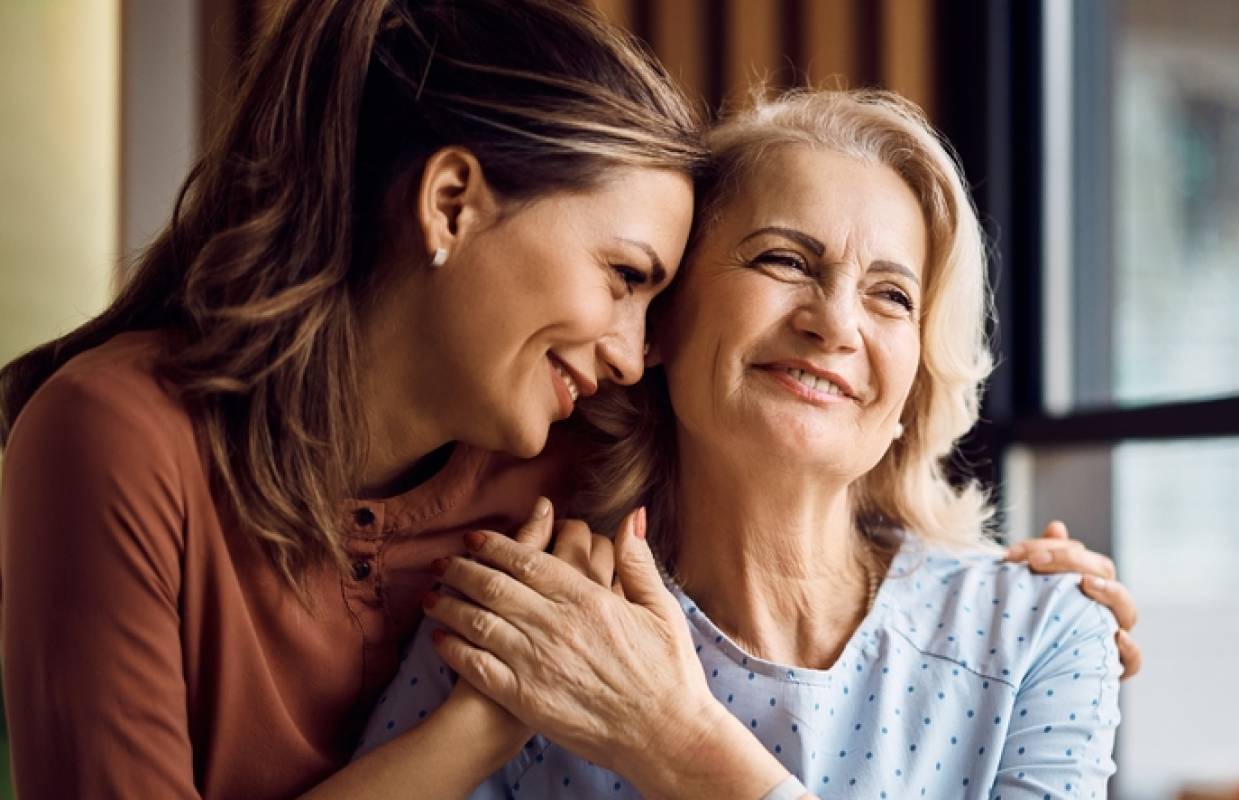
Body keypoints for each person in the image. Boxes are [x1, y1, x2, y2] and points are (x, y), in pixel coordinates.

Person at [0, 3, 1136, 798]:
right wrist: (491, 718)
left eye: (892, 293)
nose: (636, 352)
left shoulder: (555, 456)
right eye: (631, 279)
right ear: (451, 204)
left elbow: (803, 453)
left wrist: (1037, 594)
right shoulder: (125, 438)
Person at [354, 90, 1125, 799]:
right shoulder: (524, 615)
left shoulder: (1040, 631)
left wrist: (675, 740)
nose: (836, 324)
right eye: (784, 260)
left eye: (891, 296)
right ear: (662, 324)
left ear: (915, 386)